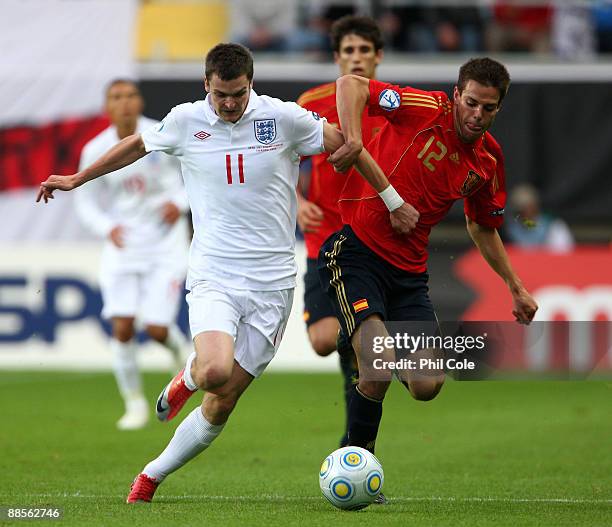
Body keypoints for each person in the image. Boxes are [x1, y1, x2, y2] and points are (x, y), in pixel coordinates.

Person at [36, 43, 393, 503]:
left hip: (274, 282)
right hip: (215, 272)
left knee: (223, 398)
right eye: (221, 94)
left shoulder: (282, 118)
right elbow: (136, 147)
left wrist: (387, 194)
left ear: (251, 84)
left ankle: (154, 471)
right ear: (207, 84)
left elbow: (345, 143)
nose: (229, 104)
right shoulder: (186, 120)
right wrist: (76, 179)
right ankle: (181, 397)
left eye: (238, 94)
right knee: (214, 370)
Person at [321, 57, 538, 461]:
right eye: (471, 102)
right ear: (457, 95)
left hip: (408, 275)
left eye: (488, 108)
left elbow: (482, 227)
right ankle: (353, 460)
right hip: (355, 252)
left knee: (427, 384)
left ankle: (363, 345)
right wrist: (353, 140)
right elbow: (351, 84)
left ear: (498, 108)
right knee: (379, 362)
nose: (476, 115)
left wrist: (516, 285)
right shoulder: (424, 107)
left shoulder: (487, 161)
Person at [76, 79, 190, 431]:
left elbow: (196, 173)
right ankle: (135, 404)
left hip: (165, 242)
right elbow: (86, 201)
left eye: (129, 96)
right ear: (107, 106)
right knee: (122, 326)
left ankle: (179, 356)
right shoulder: (95, 148)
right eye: (116, 97)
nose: (124, 103)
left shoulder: (160, 135)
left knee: (156, 328)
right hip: (124, 244)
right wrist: (106, 227)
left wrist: (181, 203)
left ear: (139, 101)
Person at [296, 15, 386, 449]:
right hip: (324, 238)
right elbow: (276, 160)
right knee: (324, 340)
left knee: (360, 347)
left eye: (364, 50)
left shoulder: (394, 104)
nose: (356, 57)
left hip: (372, 242)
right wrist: (296, 202)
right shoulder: (310, 102)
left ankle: (356, 445)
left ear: (378, 56)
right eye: (348, 50)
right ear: (336, 57)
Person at [505, 183, 574, 252]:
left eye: (527, 208)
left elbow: (564, 253)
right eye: (519, 210)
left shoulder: (554, 226)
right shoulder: (509, 228)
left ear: (535, 206)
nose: (523, 213)